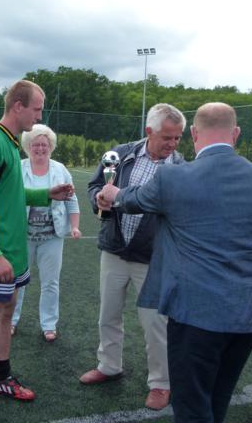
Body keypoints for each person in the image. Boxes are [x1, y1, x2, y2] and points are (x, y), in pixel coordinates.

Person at [98, 102, 252, 423]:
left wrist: (113, 195)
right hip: (246, 315)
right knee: (218, 399)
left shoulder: (174, 176)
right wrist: (250, 282)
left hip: (194, 314)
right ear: (236, 133)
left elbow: (134, 200)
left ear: (193, 133)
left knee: (192, 407)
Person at [0, 80, 75, 423]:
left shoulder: (9, 143)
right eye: (37, 108)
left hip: (13, 253)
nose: (40, 115)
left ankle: (1, 378)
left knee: (6, 316)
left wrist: (46, 195)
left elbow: (9, 195)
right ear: (18, 106)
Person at [81, 103, 186, 411]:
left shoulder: (180, 169)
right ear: (149, 131)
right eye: (167, 137)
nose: (173, 144)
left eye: (178, 138)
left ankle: (161, 383)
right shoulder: (120, 154)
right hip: (114, 249)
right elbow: (95, 185)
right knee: (108, 314)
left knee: (155, 324)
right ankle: (109, 366)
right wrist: (98, 199)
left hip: (153, 258)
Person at [11, 124, 81, 342]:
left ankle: (49, 325)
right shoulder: (18, 168)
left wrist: (74, 226)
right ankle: (10, 321)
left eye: (44, 144)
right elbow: (9, 198)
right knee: (17, 281)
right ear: (27, 146)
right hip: (22, 236)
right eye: (36, 144)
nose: (40, 148)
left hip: (52, 237)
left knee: (50, 282)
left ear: (50, 146)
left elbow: (72, 200)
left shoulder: (60, 170)